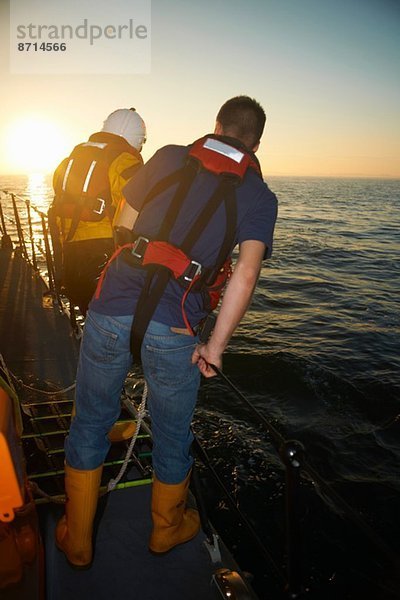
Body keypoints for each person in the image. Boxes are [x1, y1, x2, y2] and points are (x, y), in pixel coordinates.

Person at [55, 96, 278, 568]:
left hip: (111, 305)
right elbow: (246, 273)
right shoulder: (260, 195)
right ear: (256, 143)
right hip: (177, 323)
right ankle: (165, 530)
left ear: (216, 126)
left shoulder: (170, 156)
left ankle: (77, 540)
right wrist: (214, 347)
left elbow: (124, 222)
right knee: (173, 435)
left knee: (90, 420)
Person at [49, 107, 147, 316]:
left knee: (88, 306)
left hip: (69, 252)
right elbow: (146, 207)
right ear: (136, 139)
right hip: (105, 254)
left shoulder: (70, 161)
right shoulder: (124, 161)